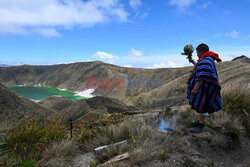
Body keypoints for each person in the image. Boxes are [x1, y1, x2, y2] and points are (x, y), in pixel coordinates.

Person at [186, 43, 223, 133]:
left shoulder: (206, 60)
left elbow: (202, 76)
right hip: (204, 88)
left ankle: (200, 126)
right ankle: (199, 122)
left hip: (204, 89)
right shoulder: (206, 59)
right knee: (202, 105)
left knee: (203, 105)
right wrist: (192, 61)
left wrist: (195, 89)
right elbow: (199, 67)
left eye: (197, 52)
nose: (197, 54)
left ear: (201, 51)